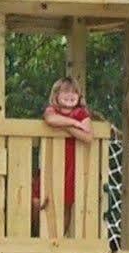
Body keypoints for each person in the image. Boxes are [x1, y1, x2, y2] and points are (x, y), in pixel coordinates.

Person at [37, 75, 97, 221]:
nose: (70, 95)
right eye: (65, 91)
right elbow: (51, 119)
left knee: (66, 203)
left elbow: (88, 136)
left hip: (71, 165)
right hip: (50, 161)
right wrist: (74, 124)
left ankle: (62, 238)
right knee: (41, 198)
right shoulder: (52, 110)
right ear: (56, 95)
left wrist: (64, 126)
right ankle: (38, 233)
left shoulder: (81, 113)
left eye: (74, 92)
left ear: (79, 96)